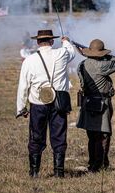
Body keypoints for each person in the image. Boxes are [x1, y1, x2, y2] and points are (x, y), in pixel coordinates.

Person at [16, 30, 75, 178]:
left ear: (37, 42)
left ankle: (34, 172)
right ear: (52, 41)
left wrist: (21, 107)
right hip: (58, 103)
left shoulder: (29, 60)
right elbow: (71, 51)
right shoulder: (62, 53)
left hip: (37, 103)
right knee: (59, 136)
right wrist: (66, 41)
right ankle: (58, 173)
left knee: (36, 137)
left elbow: (23, 86)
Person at [76, 39, 115, 172]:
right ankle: (99, 164)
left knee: (91, 136)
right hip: (102, 102)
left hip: (88, 101)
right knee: (103, 135)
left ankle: (93, 162)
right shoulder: (101, 66)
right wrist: (105, 55)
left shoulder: (81, 64)